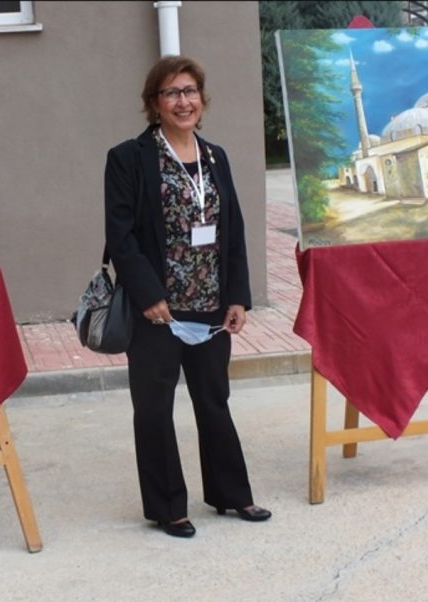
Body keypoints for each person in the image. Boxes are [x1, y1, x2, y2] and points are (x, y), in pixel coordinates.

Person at [103, 55, 271, 538]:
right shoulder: (129, 158)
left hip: (211, 306)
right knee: (154, 408)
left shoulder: (216, 156)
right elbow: (121, 237)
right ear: (154, 102)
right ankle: (167, 507)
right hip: (157, 311)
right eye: (172, 93)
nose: (183, 101)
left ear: (202, 98)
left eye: (190, 91)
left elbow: (233, 230)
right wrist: (148, 294)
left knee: (214, 400)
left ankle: (231, 494)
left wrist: (237, 296)